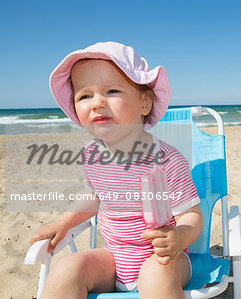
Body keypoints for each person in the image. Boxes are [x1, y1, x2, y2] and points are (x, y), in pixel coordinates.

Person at [30, 42, 203, 298]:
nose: (97, 103)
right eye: (84, 96)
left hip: (164, 258)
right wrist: (64, 222)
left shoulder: (166, 160)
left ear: (145, 103)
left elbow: (192, 216)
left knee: (155, 274)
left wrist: (179, 236)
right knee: (66, 267)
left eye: (111, 91)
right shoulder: (91, 155)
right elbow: (94, 196)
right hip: (114, 257)